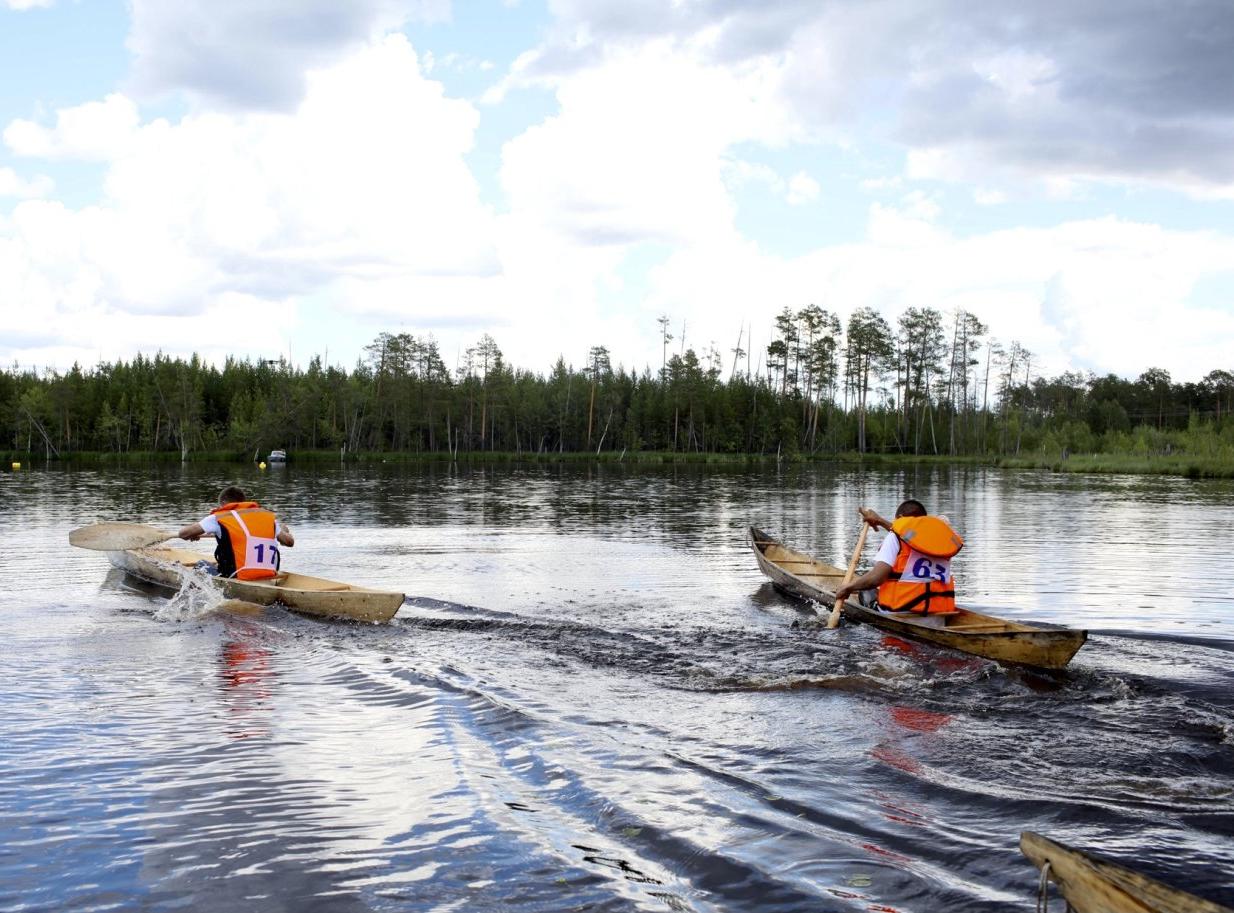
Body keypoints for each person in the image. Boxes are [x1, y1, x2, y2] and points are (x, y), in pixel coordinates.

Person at [834, 500, 963, 614]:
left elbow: (876, 579)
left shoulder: (894, 537)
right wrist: (879, 520)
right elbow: (904, 534)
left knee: (867, 589)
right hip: (939, 615)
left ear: (900, 518)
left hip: (900, 612)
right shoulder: (939, 540)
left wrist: (848, 588)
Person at [178, 486, 294, 580]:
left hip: (237, 576)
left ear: (223, 503)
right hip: (269, 575)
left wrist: (193, 534)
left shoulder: (219, 517)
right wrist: (282, 529)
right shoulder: (268, 518)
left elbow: (183, 534)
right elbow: (289, 542)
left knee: (202, 564)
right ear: (243, 501)